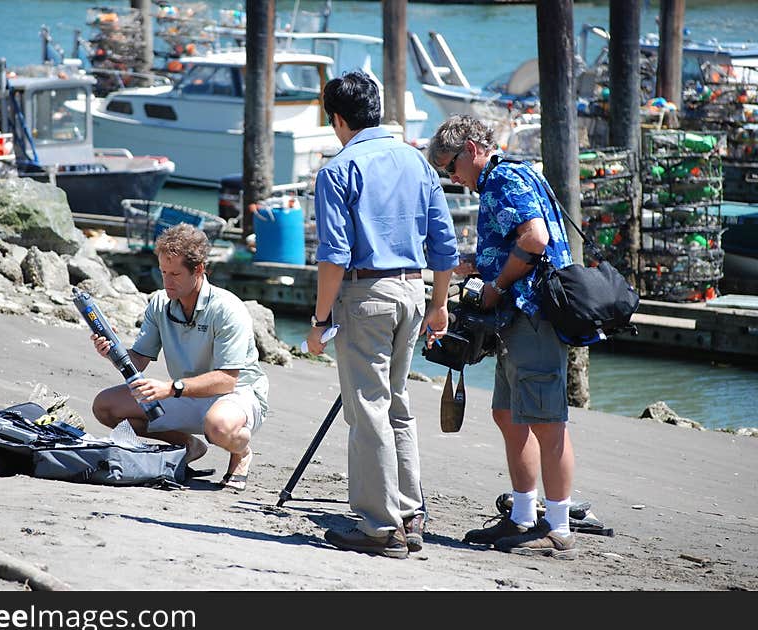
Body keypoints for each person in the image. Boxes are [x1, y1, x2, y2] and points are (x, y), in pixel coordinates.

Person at [306, 71, 459, 559]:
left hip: (365, 292)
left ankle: (379, 527)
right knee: (397, 402)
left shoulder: (338, 169)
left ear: (337, 118)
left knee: (368, 409)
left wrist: (319, 320)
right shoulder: (417, 162)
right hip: (413, 291)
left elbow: (333, 254)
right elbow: (445, 245)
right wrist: (440, 304)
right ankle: (410, 513)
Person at [427, 114, 578, 559]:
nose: (453, 177)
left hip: (533, 314)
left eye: (452, 167)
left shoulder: (503, 178)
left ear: (472, 148)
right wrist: (478, 263)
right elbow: (516, 241)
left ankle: (559, 527)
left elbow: (534, 239)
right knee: (508, 415)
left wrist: (494, 287)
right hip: (517, 317)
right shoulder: (506, 175)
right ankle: (523, 516)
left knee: (548, 423)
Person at [91, 223, 268, 492]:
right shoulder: (160, 303)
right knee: (105, 406)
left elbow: (227, 381)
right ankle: (188, 445)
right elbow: (137, 360)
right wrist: (112, 351)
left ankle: (241, 452)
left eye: (175, 274)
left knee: (218, 427)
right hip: (183, 392)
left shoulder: (228, 308)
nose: (167, 282)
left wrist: (170, 388)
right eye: (163, 272)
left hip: (236, 395)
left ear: (198, 270)